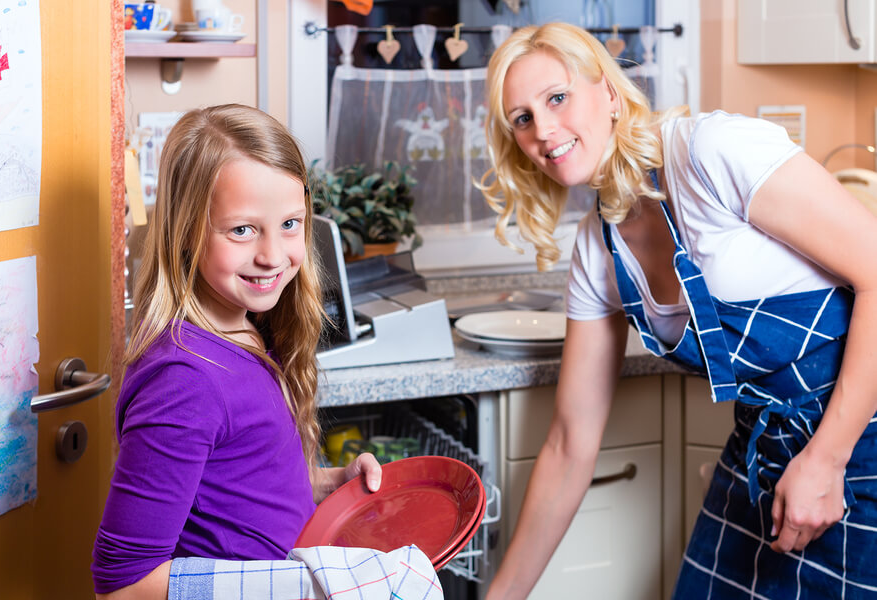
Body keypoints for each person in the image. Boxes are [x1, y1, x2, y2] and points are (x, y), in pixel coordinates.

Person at [479, 22, 877, 599]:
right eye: (522, 118)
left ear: (610, 95)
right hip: (765, 456)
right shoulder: (598, 250)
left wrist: (826, 460)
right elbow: (570, 443)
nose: (543, 129)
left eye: (557, 98)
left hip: (859, 443)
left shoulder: (713, 152)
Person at [91, 104, 382, 599]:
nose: (272, 255)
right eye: (242, 230)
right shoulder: (184, 380)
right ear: (186, 231)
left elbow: (234, 492)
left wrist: (328, 484)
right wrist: (294, 588)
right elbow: (122, 583)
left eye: (290, 224)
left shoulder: (247, 329)